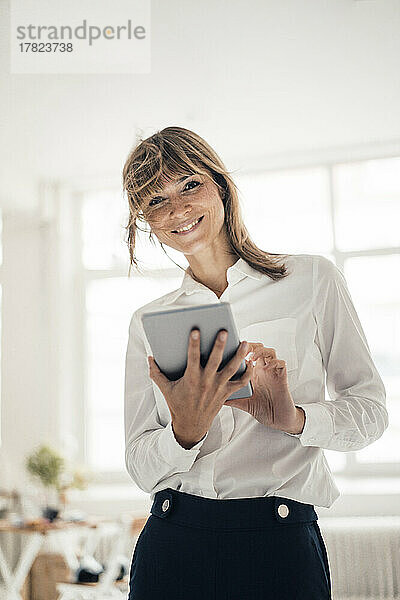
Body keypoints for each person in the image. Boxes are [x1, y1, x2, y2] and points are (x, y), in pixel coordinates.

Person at [122, 126, 388, 600]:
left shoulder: (312, 279)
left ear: (220, 185)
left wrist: (294, 419)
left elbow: (370, 413)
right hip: (173, 542)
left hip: (280, 544)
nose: (178, 209)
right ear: (144, 219)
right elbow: (141, 466)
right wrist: (186, 430)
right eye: (155, 201)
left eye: (189, 184)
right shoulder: (150, 321)